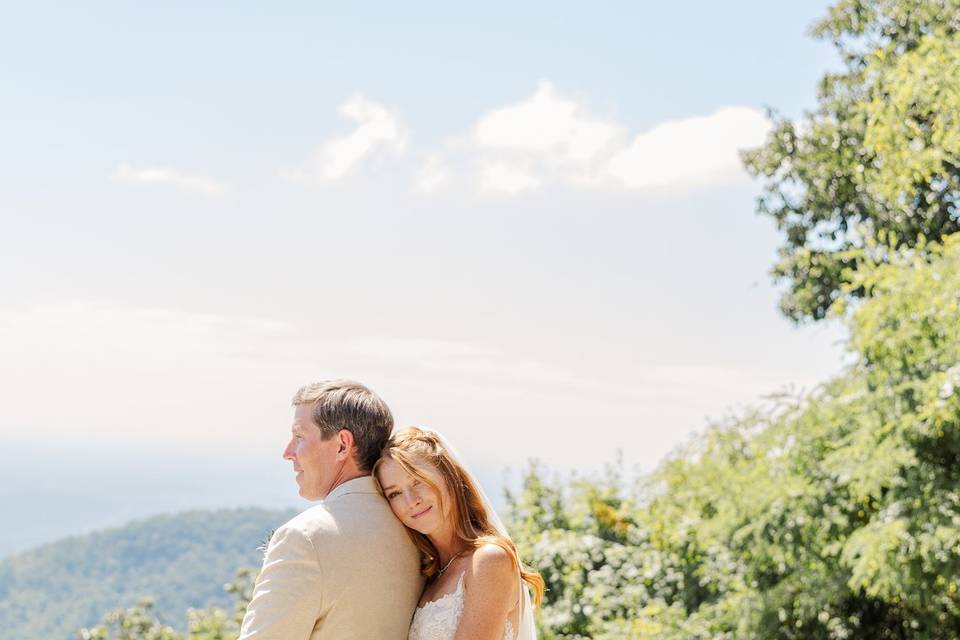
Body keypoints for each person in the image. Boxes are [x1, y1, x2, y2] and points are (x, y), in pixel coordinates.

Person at [239, 380, 424, 640]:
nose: (288, 452)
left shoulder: (303, 539)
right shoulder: (416, 529)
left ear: (342, 446)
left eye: (299, 436)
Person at [373, 426, 545, 640]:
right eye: (395, 493)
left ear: (448, 476)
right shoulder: (431, 573)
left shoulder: (489, 560)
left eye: (418, 480)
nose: (411, 501)